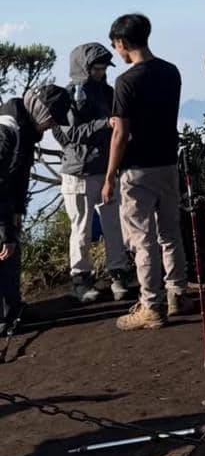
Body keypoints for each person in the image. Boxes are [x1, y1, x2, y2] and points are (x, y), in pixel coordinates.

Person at [101, 13, 191, 330]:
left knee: (143, 239)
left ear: (122, 42)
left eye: (116, 45)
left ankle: (151, 305)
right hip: (167, 162)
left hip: (137, 169)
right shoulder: (171, 72)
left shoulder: (126, 82)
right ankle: (177, 293)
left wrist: (109, 176)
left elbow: (120, 134)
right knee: (170, 232)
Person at [53, 42, 134, 304]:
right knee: (82, 228)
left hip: (104, 168)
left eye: (103, 68)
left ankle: (118, 274)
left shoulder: (108, 93)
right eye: (96, 68)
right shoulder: (68, 97)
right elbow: (70, 135)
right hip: (78, 172)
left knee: (113, 225)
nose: (101, 73)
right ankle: (81, 279)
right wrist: (104, 124)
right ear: (84, 68)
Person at [1, 85, 70, 333]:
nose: (52, 126)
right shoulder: (8, 130)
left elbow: (18, 177)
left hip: (7, 203)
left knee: (10, 254)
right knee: (3, 252)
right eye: (52, 120)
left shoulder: (25, 130)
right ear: (42, 111)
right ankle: (4, 318)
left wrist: (18, 211)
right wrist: (5, 231)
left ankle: (12, 309)